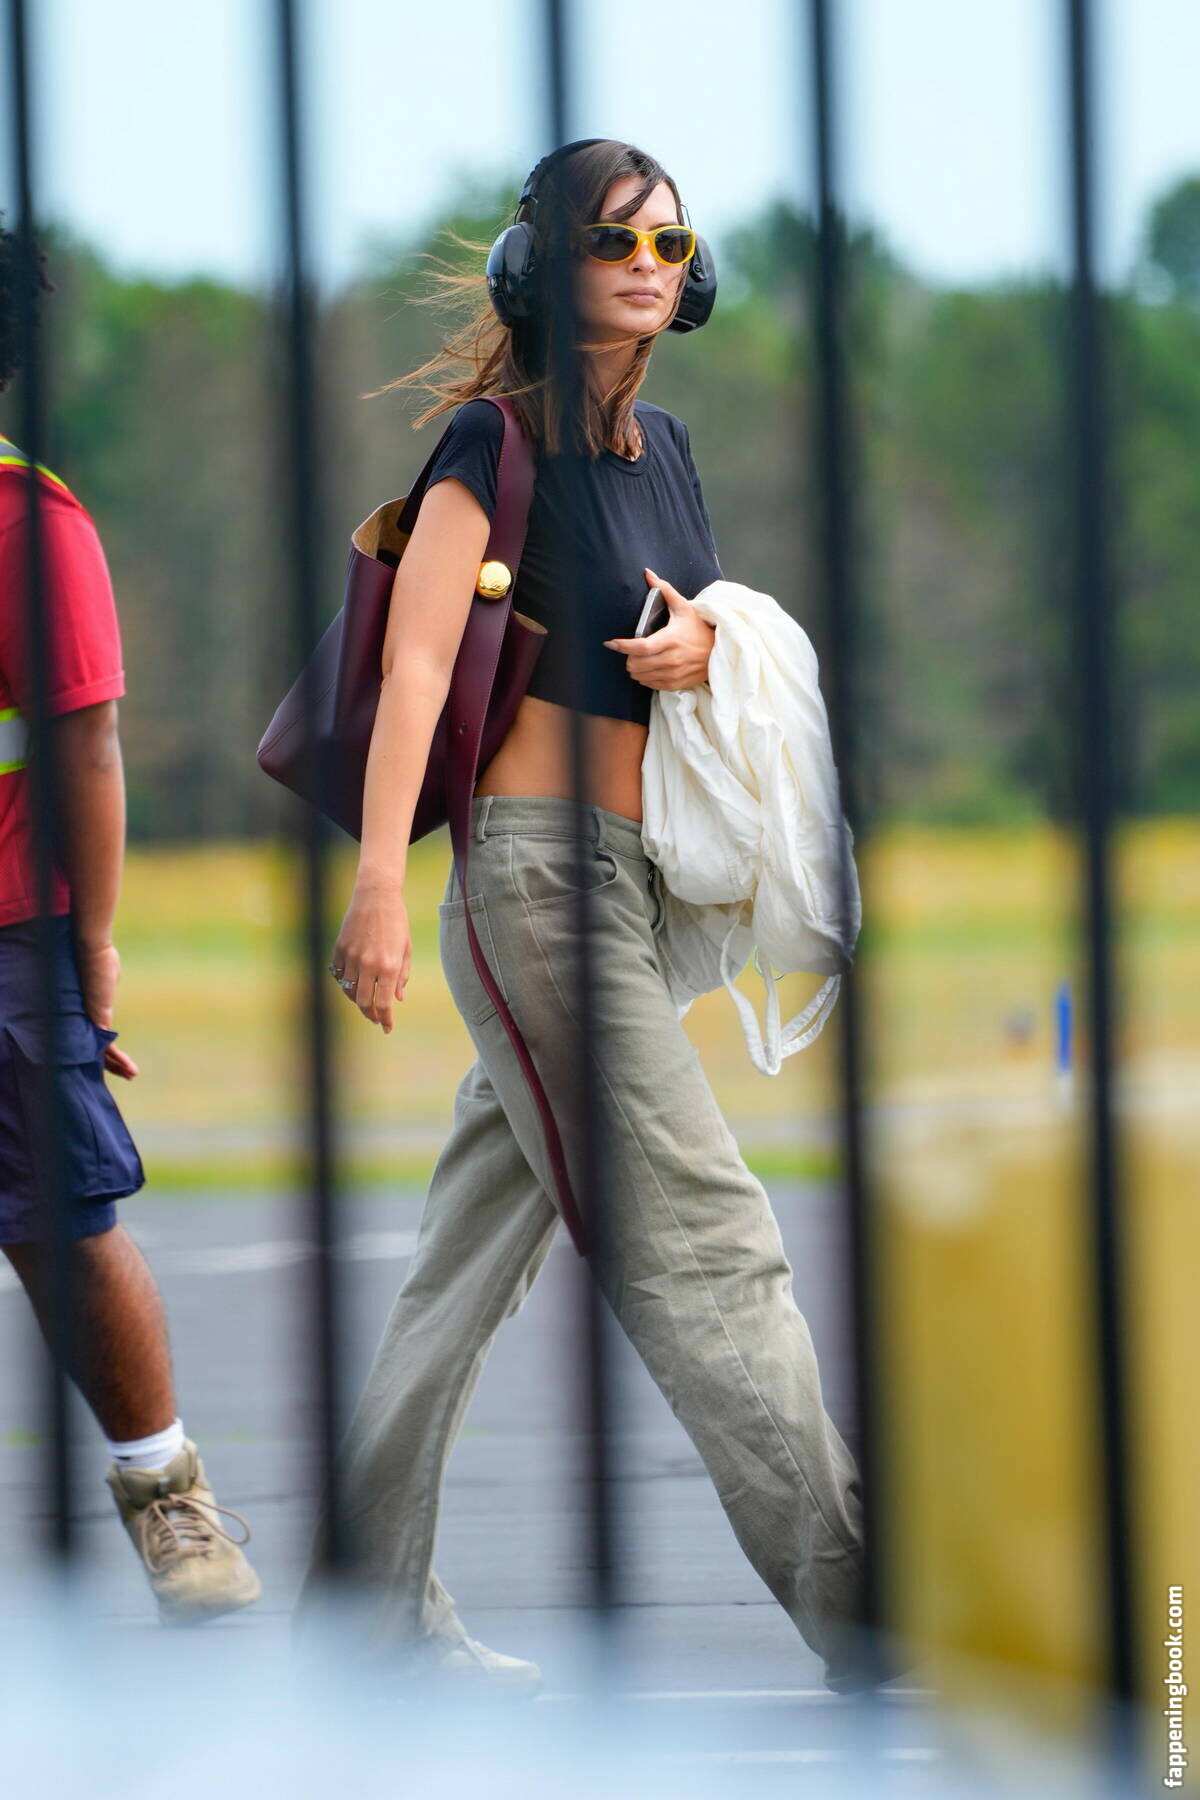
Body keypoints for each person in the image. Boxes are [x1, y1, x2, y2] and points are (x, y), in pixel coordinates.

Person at [293, 139, 892, 1695]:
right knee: (708, 1238)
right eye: (613, 240)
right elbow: (418, 669)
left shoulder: (666, 452)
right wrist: (377, 884)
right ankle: (865, 1610)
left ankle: (362, 1621)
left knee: (461, 1271)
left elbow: (698, 623)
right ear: (540, 269)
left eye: (669, 243)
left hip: (628, 884)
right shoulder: (488, 445)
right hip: (535, 884)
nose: (646, 265)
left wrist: (708, 643)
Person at [0, 218, 260, 1622]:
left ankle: (171, 1501)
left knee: (60, 1216)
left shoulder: (30, 528)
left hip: (7, 936)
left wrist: (93, 942)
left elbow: (87, 746)